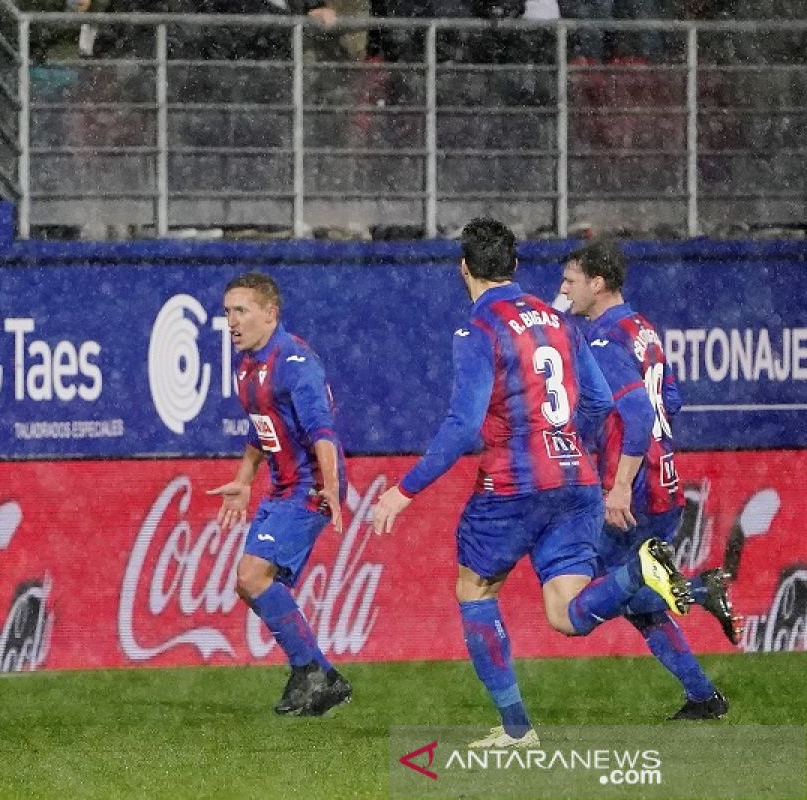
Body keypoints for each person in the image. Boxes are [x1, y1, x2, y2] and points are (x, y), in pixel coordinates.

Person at [372, 217, 691, 748]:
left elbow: (462, 426)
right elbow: (596, 401)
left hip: (514, 483)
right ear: (516, 266)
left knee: (474, 587)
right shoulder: (559, 320)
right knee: (566, 614)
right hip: (575, 481)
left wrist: (402, 491)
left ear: (464, 269)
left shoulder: (478, 329)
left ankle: (517, 729)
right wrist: (564, 442)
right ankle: (638, 575)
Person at [561, 237, 737, 719]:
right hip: (665, 478)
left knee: (583, 595)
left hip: (632, 486)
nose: (564, 289)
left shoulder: (602, 336)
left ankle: (700, 592)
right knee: (640, 603)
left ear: (597, 284)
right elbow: (671, 401)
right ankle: (704, 698)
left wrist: (619, 482)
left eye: (571, 280)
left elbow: (638, 413)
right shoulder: (640, 329)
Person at [208, 272, 351, 717]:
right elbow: (261, 428)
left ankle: (312, 672)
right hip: (281, 486)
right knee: (248, 585)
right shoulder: (248, 364)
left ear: (271, 314)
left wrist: (329, 487)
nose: (231, 321)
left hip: (309, 487)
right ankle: (322, 676)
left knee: (252, 578)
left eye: (241, 311)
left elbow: (322, 431)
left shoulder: (294, 363)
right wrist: (244, 479)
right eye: (227, 312)